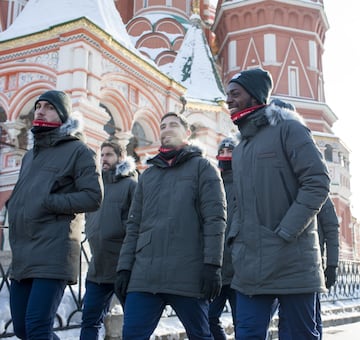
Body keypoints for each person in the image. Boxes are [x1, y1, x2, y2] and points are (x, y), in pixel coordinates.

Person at [226, 68, 330, 339]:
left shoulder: (289, 129)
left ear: (255, 95)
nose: (229, 100)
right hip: (250, 267)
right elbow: (237, 204)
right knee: (246, 334)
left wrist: (286, 232)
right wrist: (235, 240)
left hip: (292, 262)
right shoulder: (240, 149)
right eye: (227, 94)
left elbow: (317, 182)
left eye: (235, 93)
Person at [114, 112, 227, 340]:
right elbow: (134, 224)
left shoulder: (203, 168)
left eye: (173, 125)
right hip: (145, 275)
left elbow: (215, 219)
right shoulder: (148, 176)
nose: (166, 129)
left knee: (201, 335)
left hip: (188, 274)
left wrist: (212, 265)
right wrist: (124, 268)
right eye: (163, 125)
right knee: (131, 336)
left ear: (187, 133)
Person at [6, 90, 103, 340]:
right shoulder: (30, 156)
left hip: (53, 250)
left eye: (49, 106)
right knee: (23, 329)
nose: (40, 110)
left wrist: (49, 202)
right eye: (38, 106)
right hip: (24, 252)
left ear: (62, 114)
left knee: (37, 327)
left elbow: (93, 197)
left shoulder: (79, 150)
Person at [80, 139, 138, 339]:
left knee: (133, 324)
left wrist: (116, 230)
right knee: (89, 320)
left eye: (109, 154)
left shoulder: (131, 185)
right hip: (97, 266)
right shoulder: (96, 186)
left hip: (123, 267)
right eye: (102, 154)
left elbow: (136, 222)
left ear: (120, 157)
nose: (104, 159)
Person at [209, 137, 238, 340]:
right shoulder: (211, 185)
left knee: (243, 323)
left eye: (231, 152)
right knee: (208, 318)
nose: (226, 156)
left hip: (240, 271)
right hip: (217, 270)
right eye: (223, 151)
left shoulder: (245, 184)